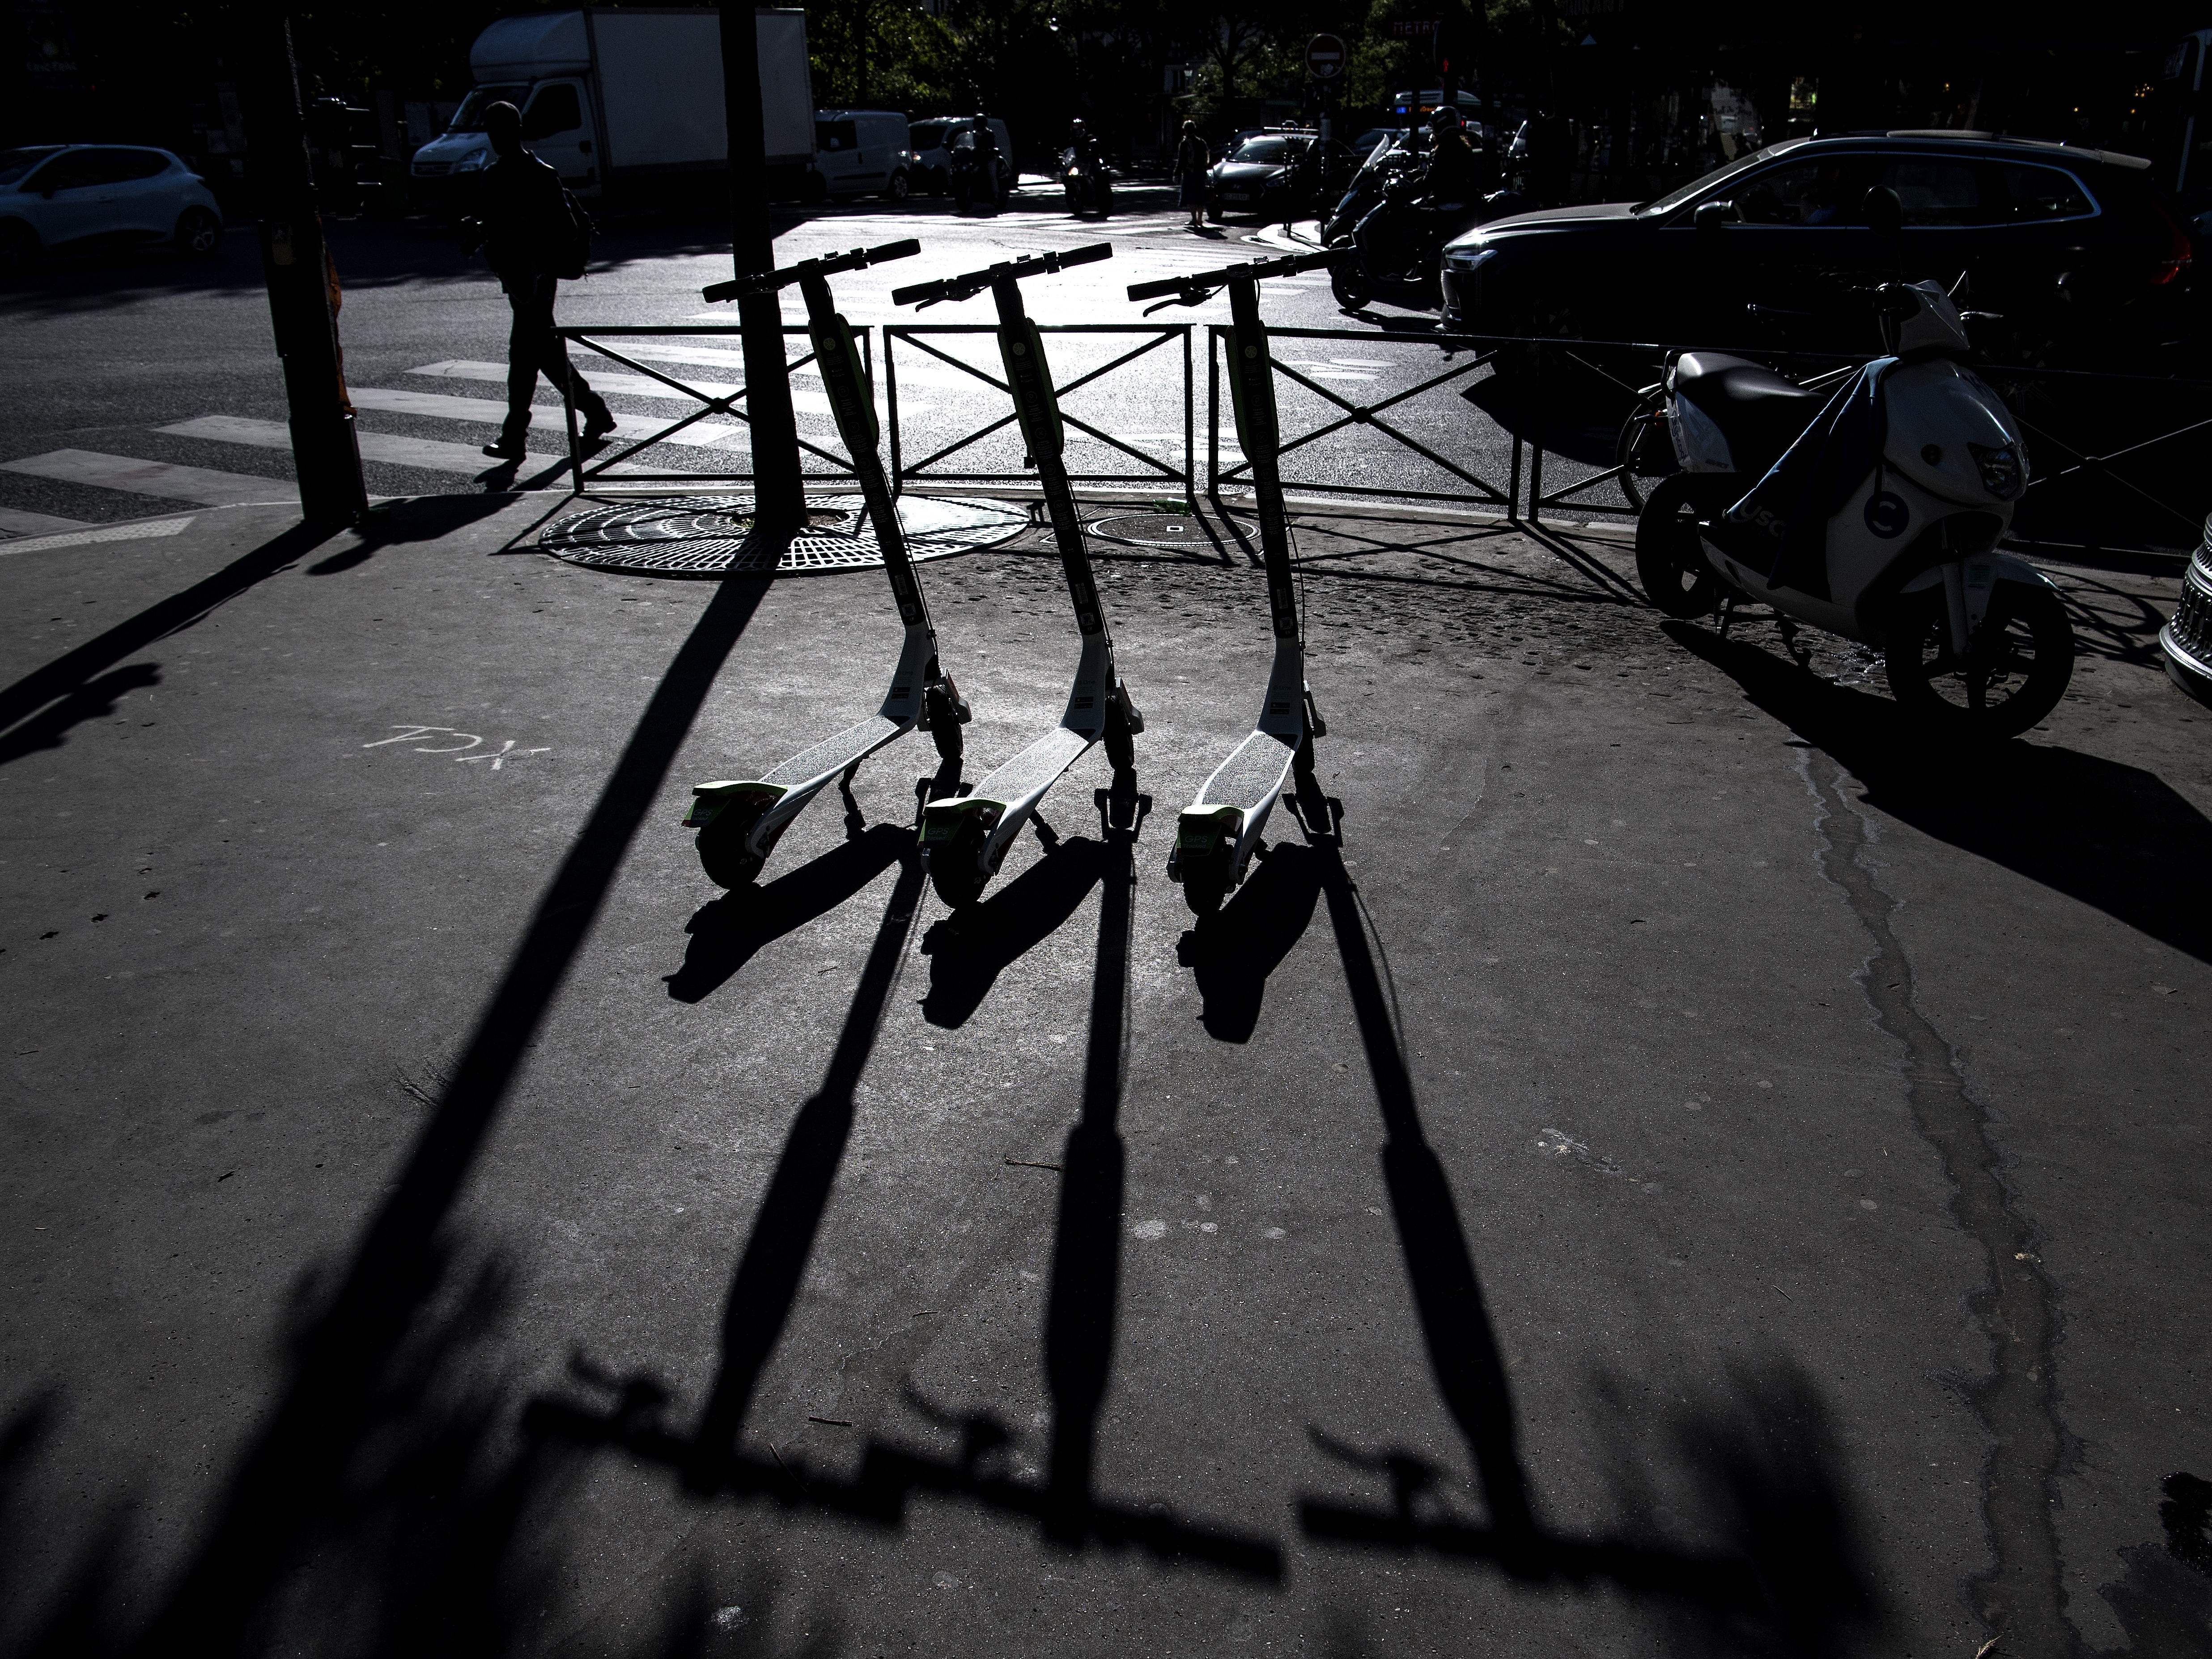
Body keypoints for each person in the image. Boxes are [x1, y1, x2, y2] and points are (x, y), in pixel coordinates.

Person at [463, 101, 614, 461]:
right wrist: (478, 231)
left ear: (515, 131)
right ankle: (595, 412)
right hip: (515, 277)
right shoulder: (493, 176)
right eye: (491, 130)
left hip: (540, 276)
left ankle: (515, 435)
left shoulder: (540, 174)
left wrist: (524, 233)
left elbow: (566, 228)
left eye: (500, 130)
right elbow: (490, 225)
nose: (495, 137)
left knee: (524, 353)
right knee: (542, 352)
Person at [1174, 120, 1210, 230]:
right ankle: (1200, 219)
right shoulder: (1201, 142)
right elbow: (1206, 157)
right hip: (1200, 173)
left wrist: (1177, 173)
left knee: (1191, 198)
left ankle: (1194, 219)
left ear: (1185, 130)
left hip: (1189, 173)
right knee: (1200, 196)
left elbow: (1181, 161)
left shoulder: (1184, 144)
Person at [969, 114, 1002, 208]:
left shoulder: (989, 133)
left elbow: (991, 145)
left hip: (988, 157)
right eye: (977, 123)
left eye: (980, 123)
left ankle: (996, 195)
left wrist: (988, 149)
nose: (978, 125)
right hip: (977, 158)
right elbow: (969, 143)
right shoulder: (973, 134)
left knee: (992, 174)